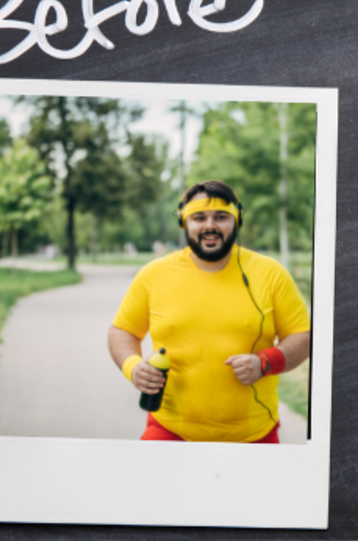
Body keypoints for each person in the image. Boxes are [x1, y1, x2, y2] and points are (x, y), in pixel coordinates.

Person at [108, 180, 311, 442]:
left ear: (237, 220)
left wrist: (265, 362)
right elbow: (122, 331)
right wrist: (133, 367)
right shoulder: (154, 274)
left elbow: (302, 337)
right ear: (184, 222)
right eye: (199, 217)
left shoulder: (270, 274)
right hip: (169, 428)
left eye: (221, 217)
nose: (210, 226)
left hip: (253, 433)